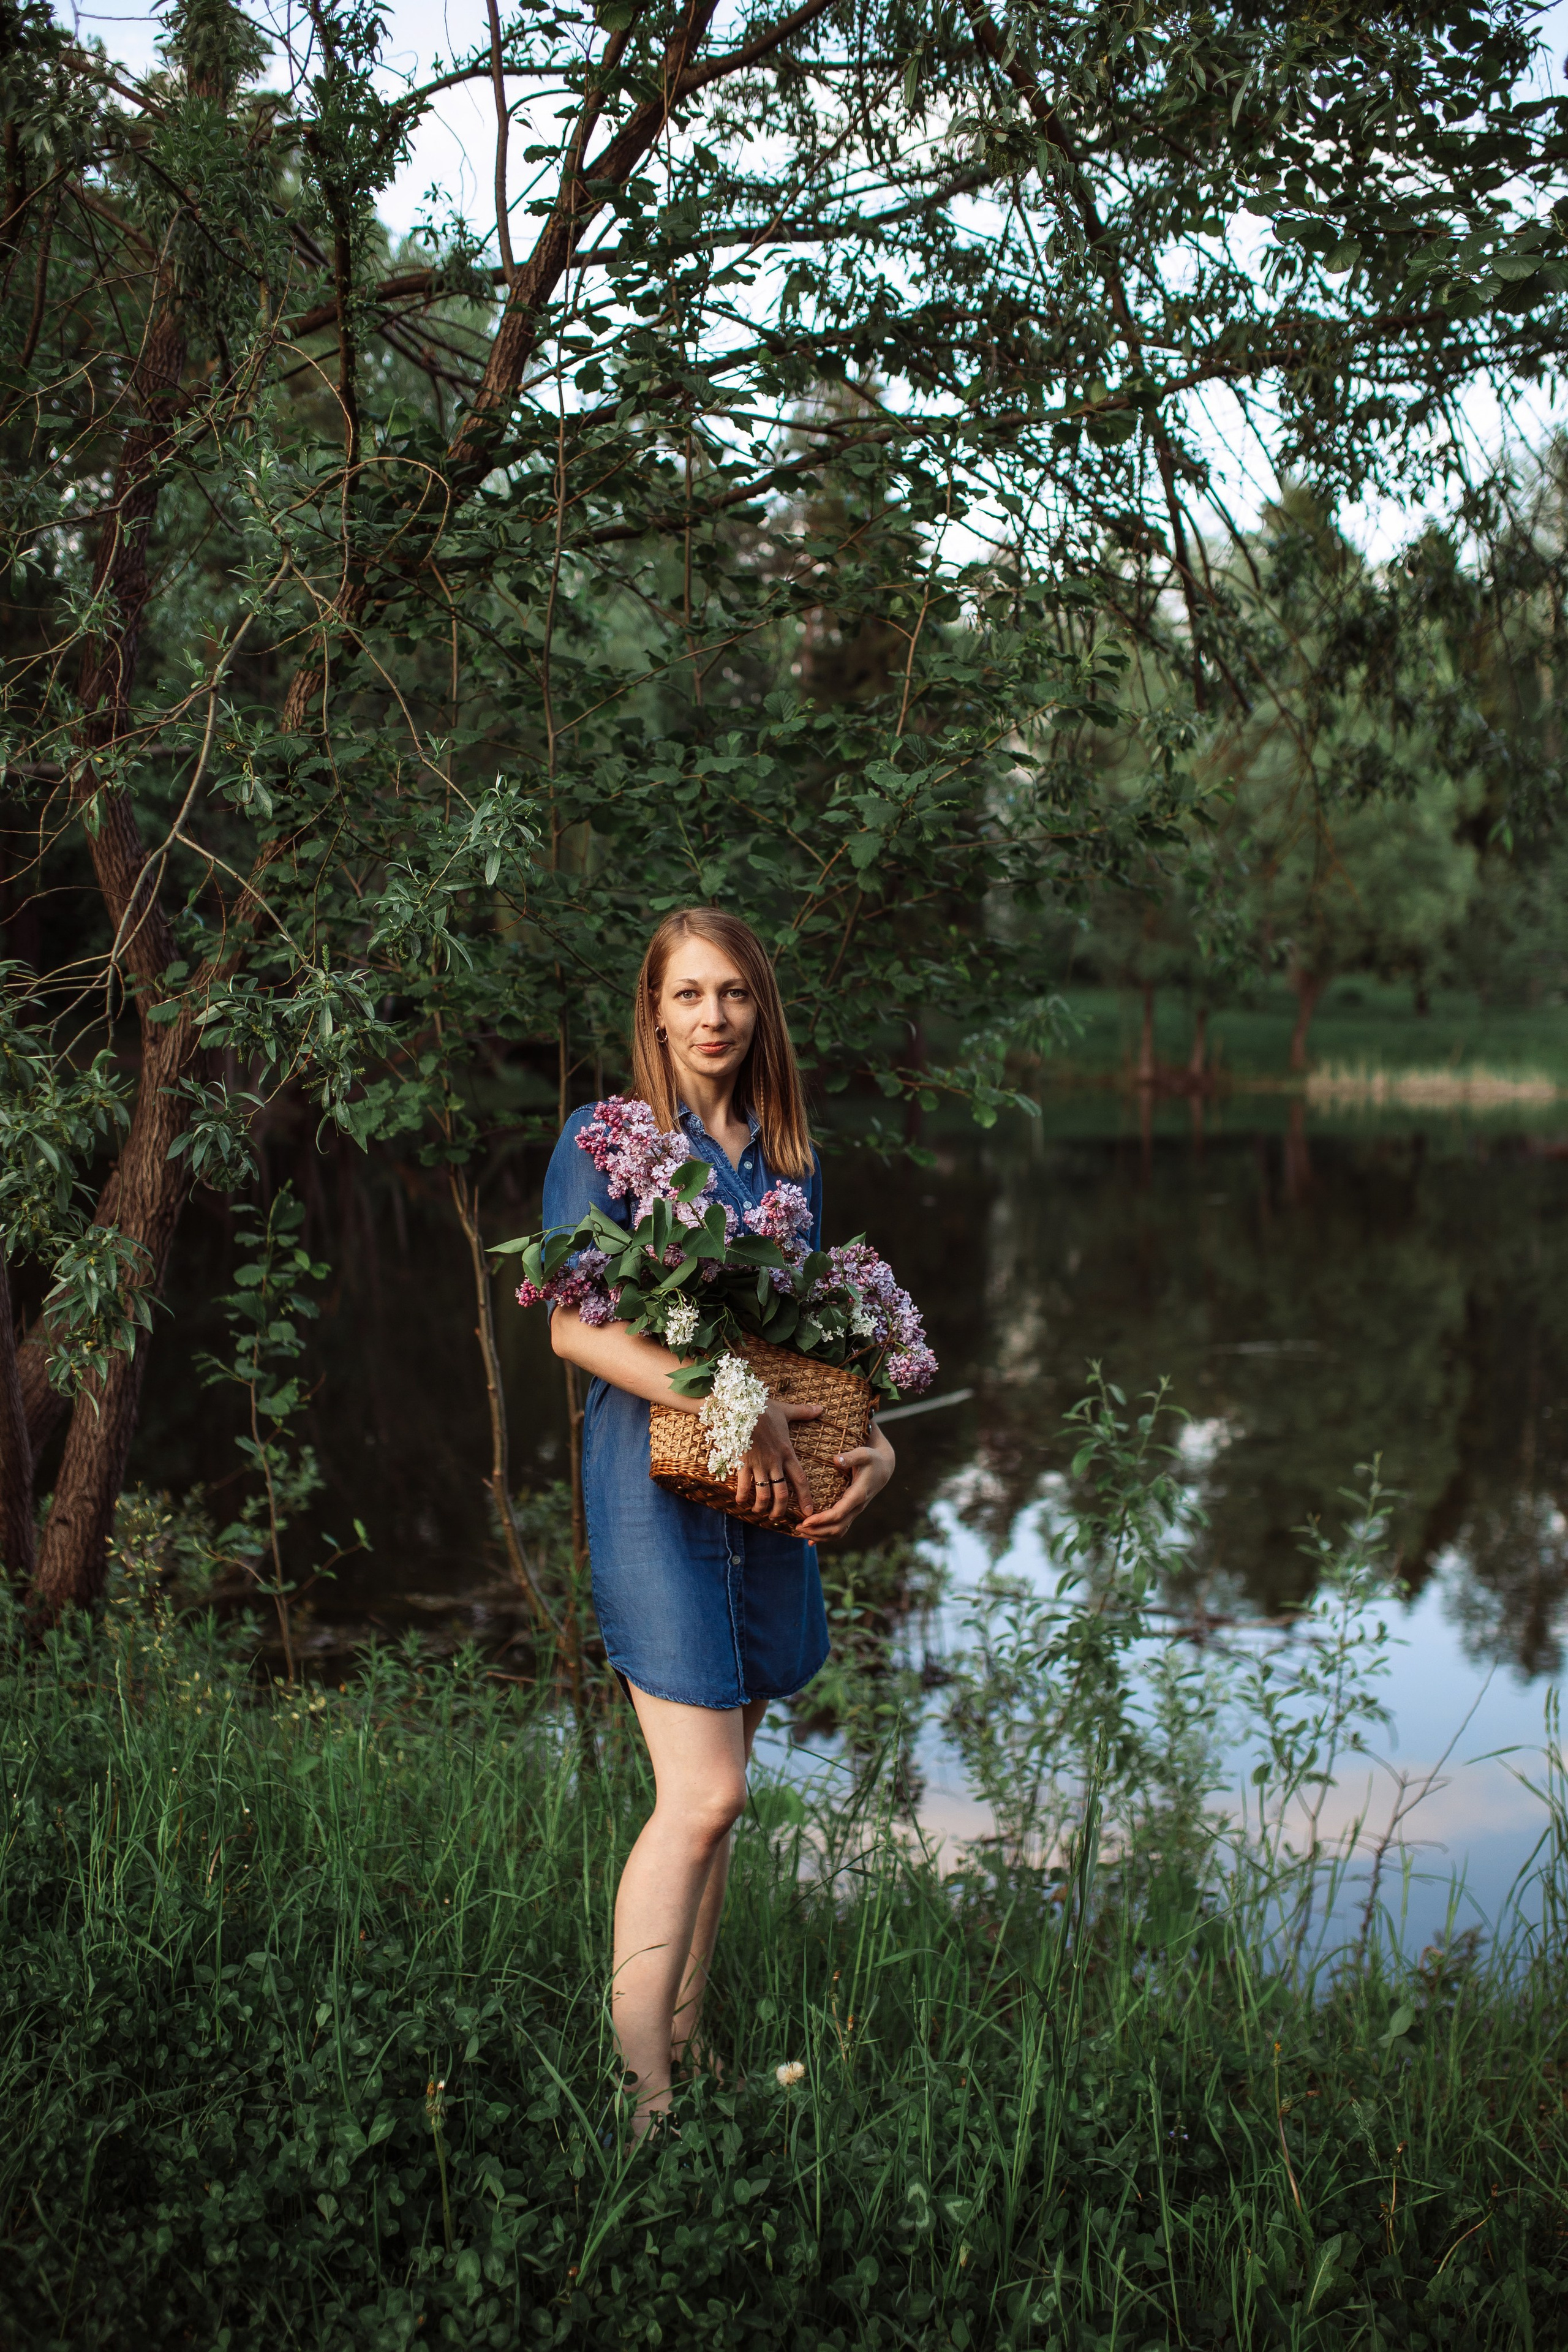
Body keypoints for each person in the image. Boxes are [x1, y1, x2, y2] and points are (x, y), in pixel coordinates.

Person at [544, 907, 896, 2138]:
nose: (713, 1016)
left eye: (734, 993)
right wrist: (728, 1397)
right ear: (653, 1008)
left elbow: (814, 1349)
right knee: (699, 1798)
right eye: (689, 993)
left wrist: (875, 1445)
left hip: (764, 1487)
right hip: (653, 1484)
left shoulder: (789, 1161)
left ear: (761, 1008)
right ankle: (641, 2106)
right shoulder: (608, 1140)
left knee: (726, 1801)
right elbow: (573, 1328)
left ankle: (683, 2052)